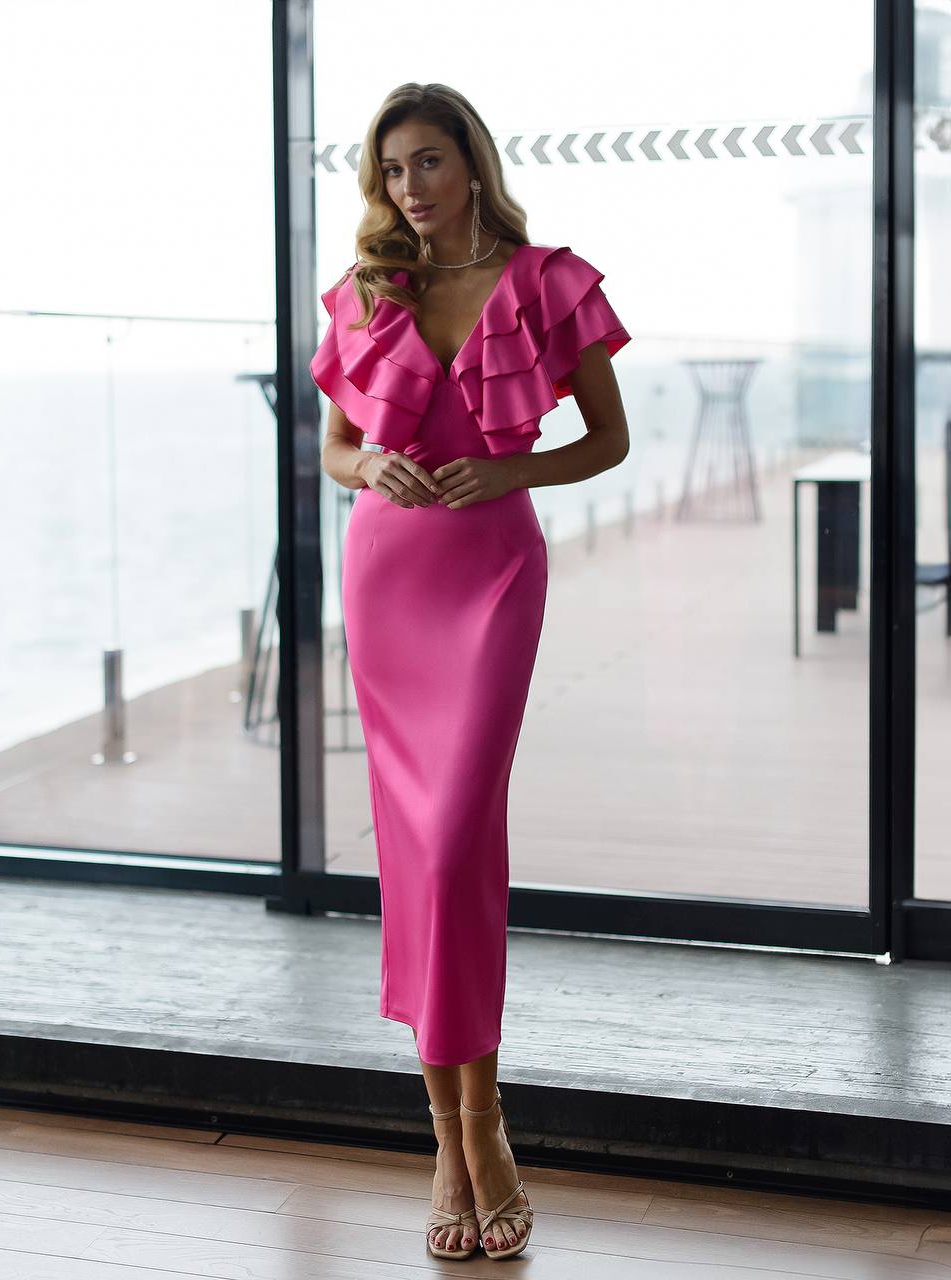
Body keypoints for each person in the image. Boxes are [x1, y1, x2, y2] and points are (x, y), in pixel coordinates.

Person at [311, 82, 631, 1262]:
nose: (411, 188)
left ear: (472, 163)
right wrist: (368, 473)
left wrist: (516, 474)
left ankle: (479, 1119)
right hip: (389, 575)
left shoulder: (548, 281)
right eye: (393, 170)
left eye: (430, 162)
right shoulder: (363, 294)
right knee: (420, 856)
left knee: (453, 842)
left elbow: (609, 436)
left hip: (492, 574)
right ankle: (455, 1139)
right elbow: (340, 442)